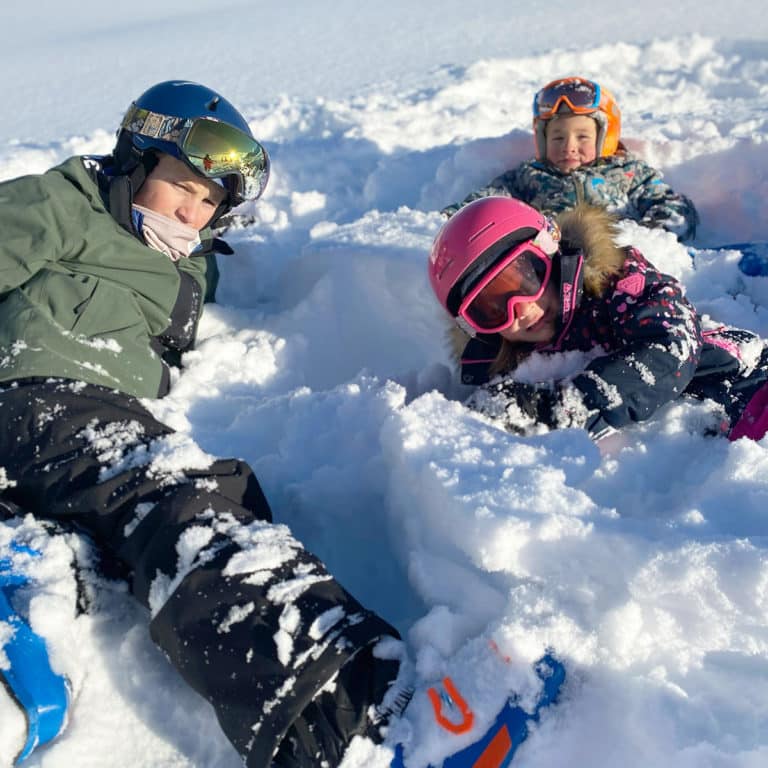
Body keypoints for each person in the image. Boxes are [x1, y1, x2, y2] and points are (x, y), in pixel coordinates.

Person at [0, 79, 550, 768]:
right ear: (135, 161)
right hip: (43, 396)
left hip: (80, 419)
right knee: (182, 510)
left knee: (213, 504)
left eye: (209, 201)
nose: (192, 211)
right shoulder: (63, 203)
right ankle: (363, 720)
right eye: (181, 186)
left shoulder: (185, 262)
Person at [428, 196, 768, 443]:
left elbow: (670, 345)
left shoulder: (619, 283)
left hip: (742, 383)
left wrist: (567, 405)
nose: (522, 309)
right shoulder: (507, 364)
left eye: (525, 280)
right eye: (491, 309)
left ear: (550, 251)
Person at [441, 76, 699, 243]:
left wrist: (650, 236)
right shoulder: (530, 176)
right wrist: (453, 220)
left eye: (582, 137)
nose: (569, 147)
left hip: (619, 260)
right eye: (557, 138)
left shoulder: (629, 172)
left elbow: (673, 207)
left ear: (605, 137)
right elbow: (489, 201)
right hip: (551, 267)